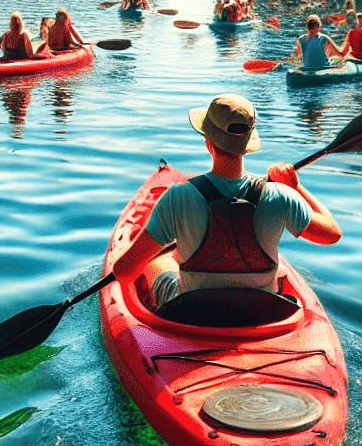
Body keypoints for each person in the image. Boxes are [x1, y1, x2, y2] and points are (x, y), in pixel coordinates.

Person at [111, 94, 341, 307]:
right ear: (248, 144)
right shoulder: (281, 195)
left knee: (159, 261)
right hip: (260, 309)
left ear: (208, 141)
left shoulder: (177, 197)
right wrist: (296, 187)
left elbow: (124, 273)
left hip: (194, 309)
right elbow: (332, 234)